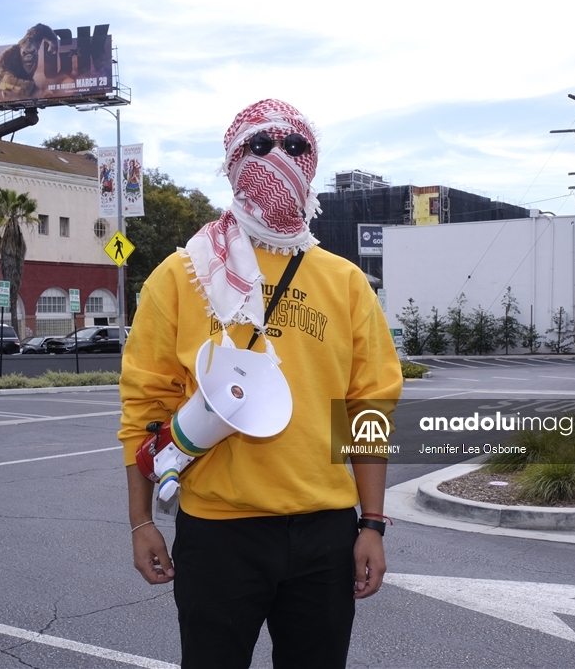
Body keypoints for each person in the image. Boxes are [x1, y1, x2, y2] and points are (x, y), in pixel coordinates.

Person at [119, 98, 403, 668]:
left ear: (312, 162)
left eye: (293, 145)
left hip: (325, 533)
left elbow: (368, 406)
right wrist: (141, 521)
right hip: (219, 532)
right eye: (258, 144)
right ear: (232, 160)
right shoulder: (181, 275)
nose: (276, 157)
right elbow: (143, 404)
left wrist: (371, 524)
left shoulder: (345, 282)